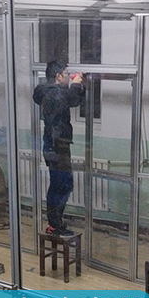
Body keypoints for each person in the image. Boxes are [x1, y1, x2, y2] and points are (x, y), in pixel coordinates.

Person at [32, 60, 85, 236]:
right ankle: (54, 225)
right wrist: (76, 85)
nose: (69, 77)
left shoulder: (48, 91)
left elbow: (73, 101)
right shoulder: (53, 94)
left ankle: (55, 223)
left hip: (56, 144)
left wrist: (80, 87)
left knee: (60, 184)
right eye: (67, 74)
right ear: (58, 76)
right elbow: (67, 99)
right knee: (62, 184)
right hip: (56, 145)